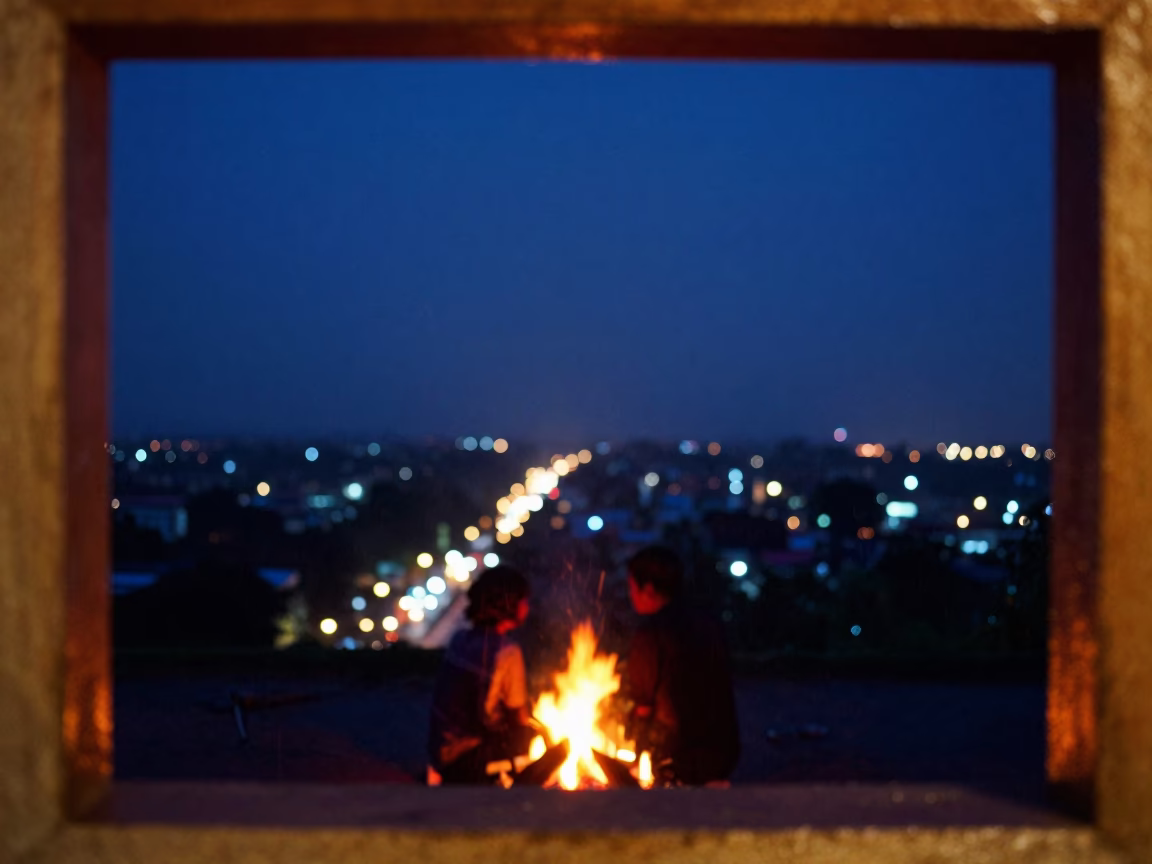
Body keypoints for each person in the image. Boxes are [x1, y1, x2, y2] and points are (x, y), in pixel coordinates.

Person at [623, 546, 740, 786]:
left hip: (679, 753)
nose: (630, 595)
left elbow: (643, 703)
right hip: (724, 748)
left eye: (632, 587)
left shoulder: (651, 633)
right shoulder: (709, 623)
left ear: (648, 589)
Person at [427, 564, 534, 784]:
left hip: (439, 750)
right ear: (509, 603)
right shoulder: (507, 651)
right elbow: (518, 718)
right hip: (467, 759)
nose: (527, 606)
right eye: (524, 600)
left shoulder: (459, 638)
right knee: (530, 737)